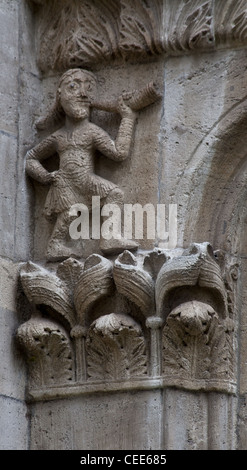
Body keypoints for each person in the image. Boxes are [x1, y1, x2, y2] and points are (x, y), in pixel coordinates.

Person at [26, 68, 138, 260]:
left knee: (114, 194)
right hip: (66, 183)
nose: (83, 93)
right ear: (59, 96)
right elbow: (31, 158)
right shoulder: (57, 137)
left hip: (86, 180)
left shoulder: (92, 132)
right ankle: (54, 246)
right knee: (70, 211)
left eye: (88, 88)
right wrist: (46, 176)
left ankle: (110, 236)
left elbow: (119, 153)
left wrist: (127, 118)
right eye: (73, 87)